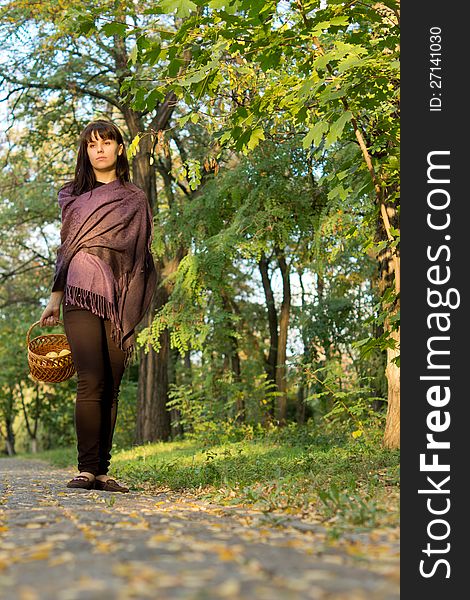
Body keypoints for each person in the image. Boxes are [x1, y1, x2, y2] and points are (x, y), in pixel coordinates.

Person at [39, 119, 157, 493]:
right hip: (80, 291)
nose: (100, 150)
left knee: (113, 385)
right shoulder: (72, 195)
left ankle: (103, 471)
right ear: (85, 151)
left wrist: (133, 294)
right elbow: (66, 250)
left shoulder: (134, 198)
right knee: (91, 379)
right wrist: (54, 300)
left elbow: (140, 252)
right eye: (92, 145)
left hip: (121, 295)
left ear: (120, 148)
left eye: (106, 142)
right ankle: (86, 469)